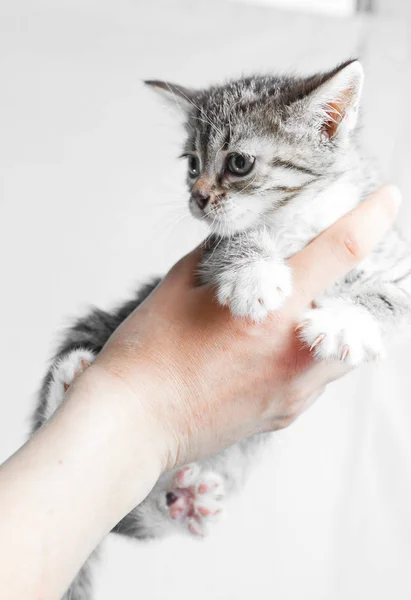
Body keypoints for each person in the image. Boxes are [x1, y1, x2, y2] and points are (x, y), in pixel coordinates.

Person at [0, 186, 401, 600]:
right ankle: (93, 430)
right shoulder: (251, 220)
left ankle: (143, 489)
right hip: (132, 350)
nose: (200, 190)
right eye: (193, 165)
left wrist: (364, 312)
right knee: (88, 340)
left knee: (235, 445)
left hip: (190, 447)